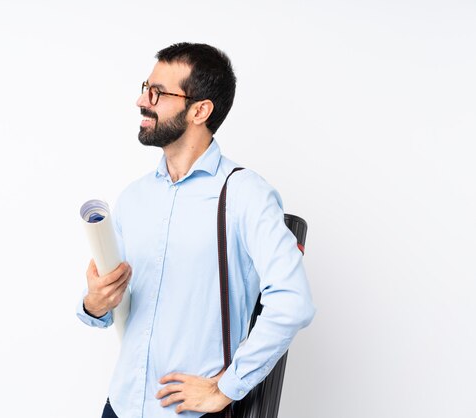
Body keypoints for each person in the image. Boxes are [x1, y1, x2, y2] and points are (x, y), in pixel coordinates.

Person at [77, 42, 315, 418]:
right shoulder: (134, 198)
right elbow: (118, 308)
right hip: (120, 406)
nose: (142, 100)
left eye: (157, 92)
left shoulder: (244, 194)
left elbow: (293, 301)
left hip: (191, 414)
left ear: (200, 110)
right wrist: (95, 304)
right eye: (145, 87)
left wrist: (226, 387)